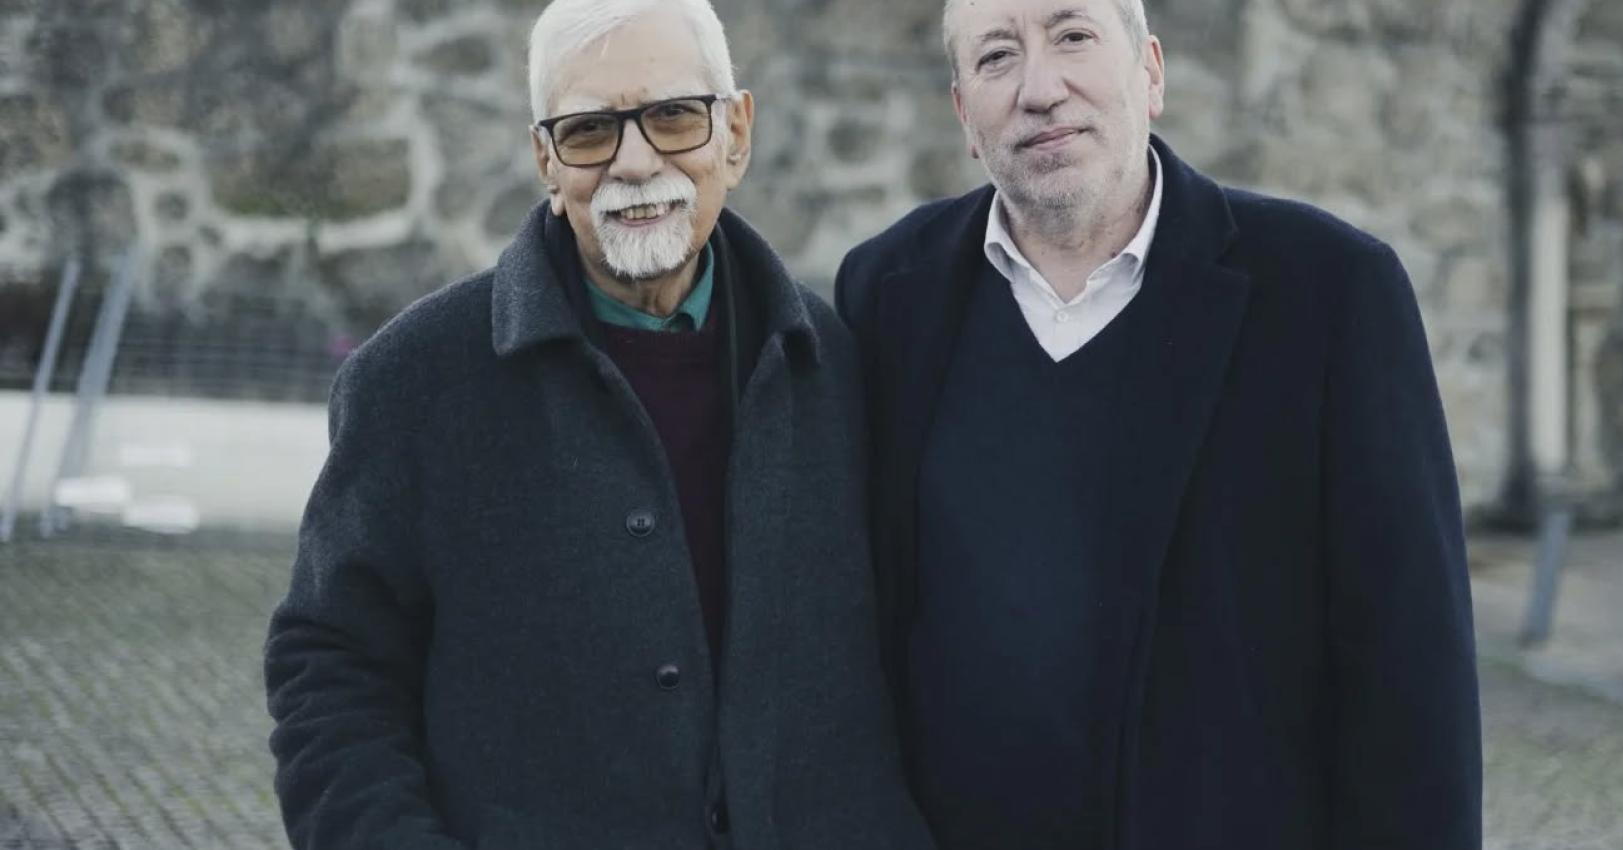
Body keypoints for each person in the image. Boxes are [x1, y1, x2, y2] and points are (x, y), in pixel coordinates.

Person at [264, 1, 934, 847]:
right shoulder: (412, 384)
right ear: (546, 161)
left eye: (674, 116)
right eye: (589, 131)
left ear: (736, 135)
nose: (636, 161)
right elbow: (331, 669)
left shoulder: (835, 367)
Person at [834, 0, 1482, 847]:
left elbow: (1412, 667)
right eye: (996, 57)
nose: (1040, 88)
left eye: (1073, 36)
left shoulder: (1328, 291)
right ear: (963, 112)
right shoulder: (886, 294)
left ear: (1151, 73)